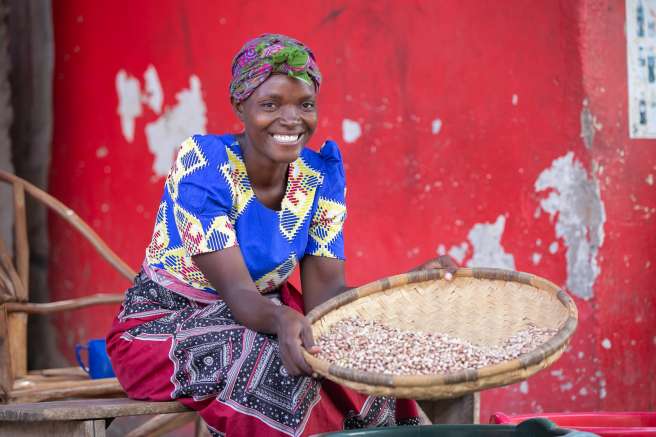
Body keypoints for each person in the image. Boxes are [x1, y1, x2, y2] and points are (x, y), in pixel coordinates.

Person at [107, 33, 457, 437]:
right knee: (276, 368)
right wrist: (283, 319)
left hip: (271, 315)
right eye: (270, 104)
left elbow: (325, 298)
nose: (291, 120)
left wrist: (405, 290)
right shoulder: (205, 168)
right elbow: (239, 295)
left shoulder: (320, 176)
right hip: (165, 326)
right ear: (240, 106)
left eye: (305, 104)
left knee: (356, 361)